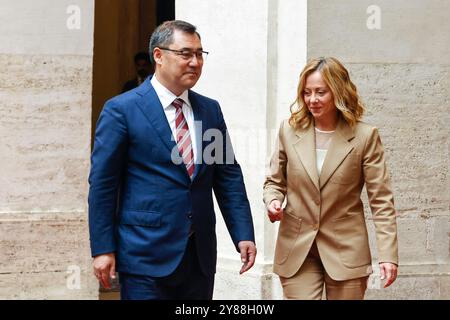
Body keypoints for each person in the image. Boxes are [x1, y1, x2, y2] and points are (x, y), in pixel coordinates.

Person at [89, 20, 256, 300]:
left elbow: (227, 177)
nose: (195, 62)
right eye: (186, 54)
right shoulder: (122, 110)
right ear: (158, 56)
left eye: (200, 54)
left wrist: (243, 233)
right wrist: (103, 249)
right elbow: (103, 185)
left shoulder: (209, 110)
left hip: (199, 258)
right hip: (144, 256)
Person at [263, 57, 398, 300]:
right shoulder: (288, 130)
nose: (312, 100)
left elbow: (381, 202)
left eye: (320, 92)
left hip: (346, 249)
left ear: (338, 91)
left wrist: (388, 255)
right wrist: (273, 200)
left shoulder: (365, 136)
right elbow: (274, 181)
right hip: (297, 248)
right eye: (306, 93)